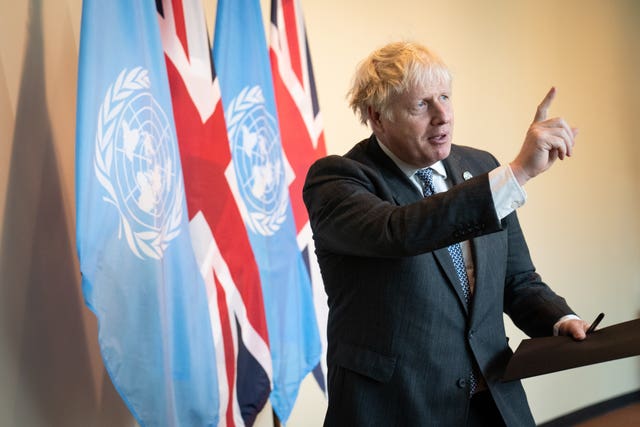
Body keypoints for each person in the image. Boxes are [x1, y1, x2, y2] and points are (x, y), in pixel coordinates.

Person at [303, 41, 590, 426]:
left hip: (493, 401)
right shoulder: (338, 180)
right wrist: (519, 172)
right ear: (377, 117)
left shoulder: (480, 167)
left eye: (444, 97)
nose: (443, 116)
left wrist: (559, 319)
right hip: (396, 407)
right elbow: (400, 232)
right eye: (421, 105)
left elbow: (516, 279)